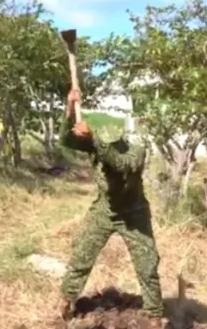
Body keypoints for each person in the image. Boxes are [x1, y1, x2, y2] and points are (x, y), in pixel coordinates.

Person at [58, 88, 164, 327]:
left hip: (134, 213)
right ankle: (65, 302)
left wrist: (93, 138)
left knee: (147, 266)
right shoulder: (95, 145)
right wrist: (69, 108)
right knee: (81, 258)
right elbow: (65, 139)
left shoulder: (136, 150)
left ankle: (155, 315)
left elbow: (120, 163)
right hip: (105, 210)